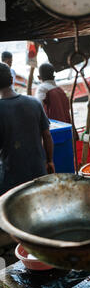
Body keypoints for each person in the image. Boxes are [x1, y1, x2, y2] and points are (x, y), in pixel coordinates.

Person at [0, 62, 55, 196]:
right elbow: (47, 135)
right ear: (12, 80)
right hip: (38, 173)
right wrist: (49, 161)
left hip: (11, 180)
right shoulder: (34, 102)